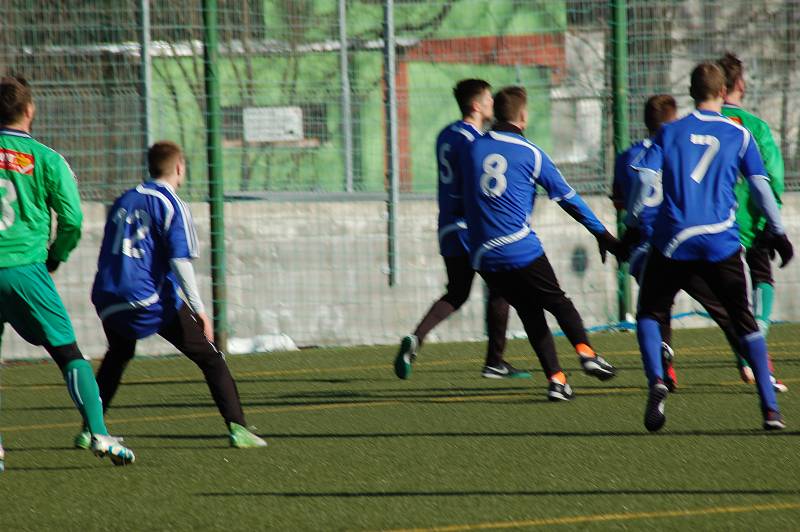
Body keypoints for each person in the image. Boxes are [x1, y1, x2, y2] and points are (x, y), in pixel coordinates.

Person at [623, 62, 792, 432]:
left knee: (650, 313)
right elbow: (762, 187)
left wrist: (632, 222)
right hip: (720, 241)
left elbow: (645, 176)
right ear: (722, 92)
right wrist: (778, 231)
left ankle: (656, 380)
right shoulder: (739, 133)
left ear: (691, 92)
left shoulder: (670, 132)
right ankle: (770, 409)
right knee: (745, 323)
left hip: (674, 241)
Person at [80, 140, 266, 449]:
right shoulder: (171, 203)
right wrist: (199, 309)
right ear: (179, 168)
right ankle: (238, 428)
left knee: (119, 355)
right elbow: (179, 260)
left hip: (108, 296)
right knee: (210, 358)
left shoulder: (124, 200)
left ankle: (89, 429)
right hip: (148, 299)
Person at [0, 76, 134, 465]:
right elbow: (72, 220)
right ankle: (98, 433)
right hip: (25, 268)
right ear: (29, 110)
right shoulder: (47, 159)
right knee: (66, 351)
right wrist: (56, 256)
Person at [462, 85, 620, 401]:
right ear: (523, 115)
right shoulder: (530, 152)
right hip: (518, 246)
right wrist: (602, 234)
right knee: (558, 301)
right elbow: (569, 199)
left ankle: (558, 381)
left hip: (482, 254)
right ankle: (586, 352)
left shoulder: (471, 149)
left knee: (530, 311)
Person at [395, 79, 529, 380]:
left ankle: (416, 338)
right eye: (488, 100)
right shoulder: (474, 142)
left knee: (457, 291)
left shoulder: (446, 134)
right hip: (470, 226)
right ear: (476, 106)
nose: (493, 104)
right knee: (502, 288)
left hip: (446, 225)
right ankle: (495, 361)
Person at [719, 52, 787, 391]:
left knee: (728, 291)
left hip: (715, 221)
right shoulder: (756, 127)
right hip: (753, 217)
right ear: (740, 85)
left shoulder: (700, 123)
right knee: (762, 278)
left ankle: (745, 354)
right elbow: (772, 175)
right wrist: (775, 218)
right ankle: (755, 339)